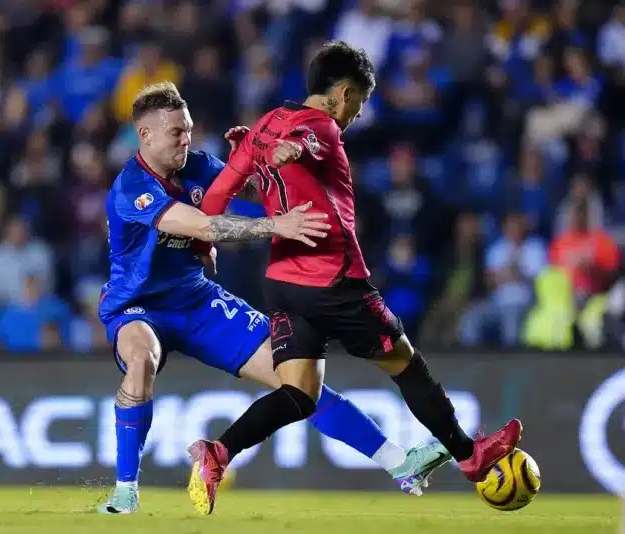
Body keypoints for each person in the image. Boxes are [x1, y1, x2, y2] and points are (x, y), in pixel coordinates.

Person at [190, 41, 522, 515]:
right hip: (334, 281)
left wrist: (205, 241)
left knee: (299, 396)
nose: (357, 114)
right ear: (343, 93)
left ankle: (218, 453)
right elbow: (310, 142)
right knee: (406, 364)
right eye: (360, 103)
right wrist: (293, 149)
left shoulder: (262, 127)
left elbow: (218, 194)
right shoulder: (321, 126)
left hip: (282, 282)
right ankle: (471, 457)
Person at [96, 82, 451, 514]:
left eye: (188, 129)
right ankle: (125, 491)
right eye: (176, 133)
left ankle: (400, 464)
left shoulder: (199, 165)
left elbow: (254, 193)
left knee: (299, 382)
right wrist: (274, 227)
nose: (186, 139)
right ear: (145, 135)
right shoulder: (132, 186)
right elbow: (206, 226)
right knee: (141, 360)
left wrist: (253, 160)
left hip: (198, 301)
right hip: (138, 306)